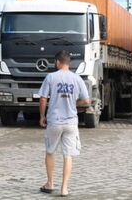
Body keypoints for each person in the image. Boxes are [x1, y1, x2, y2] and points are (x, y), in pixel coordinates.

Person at [38, 50, 90, 197]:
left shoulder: (51, 77)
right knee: (68, 155)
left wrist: (42, 116)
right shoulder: (77, 78)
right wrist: (74, 103)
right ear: (68, 63)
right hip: (71, 122)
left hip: (54, 121)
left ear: (57, 62)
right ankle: (64, 188)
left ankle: (50, 183)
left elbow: (43, 98)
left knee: (50, 152)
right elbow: (86, 101)